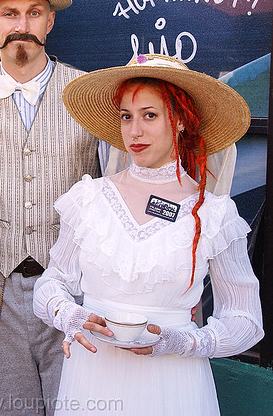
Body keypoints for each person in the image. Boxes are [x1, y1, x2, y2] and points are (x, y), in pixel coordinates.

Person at [33, 53, 264, 415]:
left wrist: (184, 342)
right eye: (126, 116)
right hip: (93, 374)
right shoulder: (88, 198)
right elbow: (51, 283)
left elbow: (246, 321)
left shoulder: (214, 215)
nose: (134, 132)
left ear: (182, 121)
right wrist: (69, 315)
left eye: (150, 115)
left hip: (171, 384)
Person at [0, 0, 108, 414]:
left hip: (74, 289)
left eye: (34, 12)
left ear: (50, 20)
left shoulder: (90, 94)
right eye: (9, 13)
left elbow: (118, 192)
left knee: (77, 405)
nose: (22, 25)